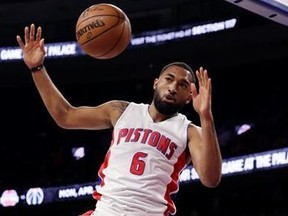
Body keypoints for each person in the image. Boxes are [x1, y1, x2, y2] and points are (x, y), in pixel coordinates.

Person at [16, 23, 222, 216]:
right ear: (156, 83)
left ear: (189, 97)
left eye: (183, 85)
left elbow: (210, 179)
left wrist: (206, 116)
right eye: (169, 79)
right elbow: (66, 116)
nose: (173, 87)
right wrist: (37, 68)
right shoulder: (121, 111)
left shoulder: (190, 131)